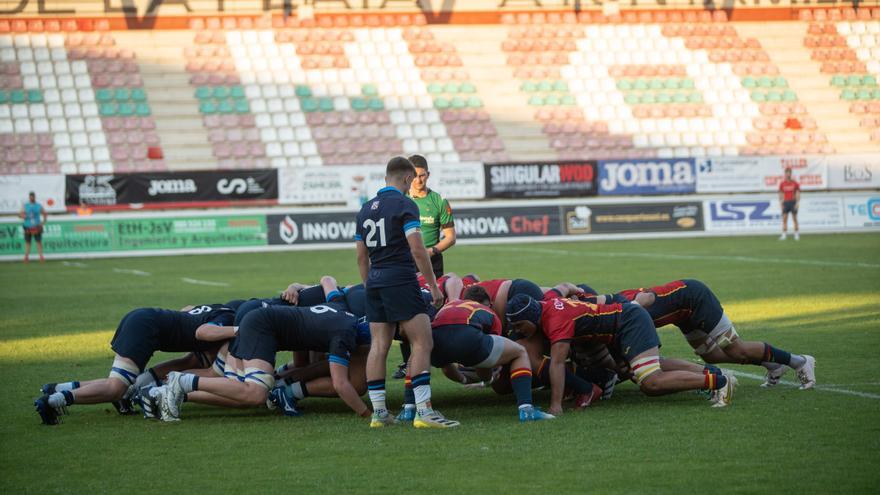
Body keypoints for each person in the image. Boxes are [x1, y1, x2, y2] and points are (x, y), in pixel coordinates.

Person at [505, 294, 737, 415]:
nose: (518, 331)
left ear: (530, 317)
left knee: (650, 382)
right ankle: (713, 373)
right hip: (619, 327)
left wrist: (555, 406)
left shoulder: (555, 320)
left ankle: (719, 383)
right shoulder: (546, 308)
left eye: (519, 326)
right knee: (652, 367)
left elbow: (556, 364)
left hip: (628, 323)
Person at [355, 156, 455, 429]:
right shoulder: (404, 204)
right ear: (407, 179)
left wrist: (368, 284)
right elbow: (417, 249)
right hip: (400, 278)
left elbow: (361, 257)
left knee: (379, 346)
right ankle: (424, 411)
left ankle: (378, 413)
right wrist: (434, 285)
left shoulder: (364, 209)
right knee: (422, 342)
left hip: (374, 281)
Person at [152, 304, 371, 421]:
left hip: (261, 320)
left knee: (242, 396)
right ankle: (180, 381)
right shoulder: (345, 333)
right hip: (261, 326)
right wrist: (369, 414)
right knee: (255, 393)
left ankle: (168, 391)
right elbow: (341, 384)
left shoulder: (346, 317)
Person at [33, 303, 236, 425]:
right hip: (146, 328)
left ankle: (57, 388)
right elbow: (203, 332)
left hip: (142, 318)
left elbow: (188, 309)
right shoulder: (229, 317)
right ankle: (52, 402)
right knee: (115, 388)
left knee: (120, 381)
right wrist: (238, 330)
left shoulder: (218, 308)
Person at [608, 279, 816, 390]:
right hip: (684, 314)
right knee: (712, 355)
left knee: (736, 349)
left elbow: (646, 297)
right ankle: (773, 365)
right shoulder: (612, 310)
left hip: (696, 300)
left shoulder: (623, 306)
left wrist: (635, 305)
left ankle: (799, 361)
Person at [397, 296, 555, 423]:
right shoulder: (489, 312)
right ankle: (526, 409)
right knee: (519, 352)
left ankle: (409, 409)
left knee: (415, 358)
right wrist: (488, 379)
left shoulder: (449, 306)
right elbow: (485, 361)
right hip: (468, 336)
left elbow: (446, 367)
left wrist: (464, 379)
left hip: (436, 337)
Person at [408, 154, 456, 278]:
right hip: (406, 260)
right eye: (414, 176)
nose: (418, 180)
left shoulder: (440, 201)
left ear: (428, 175)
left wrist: (431, 251)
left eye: (422, 175)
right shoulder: (400, 199)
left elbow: (450, 237)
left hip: (432, 260)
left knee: (434, 296)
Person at [20, 191, 46, 263]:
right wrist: (23, 216)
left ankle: (41, 257)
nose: (32, 198)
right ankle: (26, 257)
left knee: (38, 241)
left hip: (36, 226)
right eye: (31, 197)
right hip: (27, 226)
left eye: (33, 197)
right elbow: (20, 214)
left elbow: (44, 213)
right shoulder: (25, 205)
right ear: (29, 197)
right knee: (28, 242)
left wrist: (43, 222)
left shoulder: (38, 205)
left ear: (35, 197)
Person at [778, 167, 800, 241]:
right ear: (785, 174)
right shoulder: (782, 184)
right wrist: (781, 203)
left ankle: (796, 234)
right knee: (784, 219)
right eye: (787, 172)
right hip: (786, 202)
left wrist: (797, 202)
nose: (788, 174)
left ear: (791, 173)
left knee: (795, 219)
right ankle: (784, 235)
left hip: (793, 202)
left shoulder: (795, 183)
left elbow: (797, 193)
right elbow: (781, 194)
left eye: (789, 172)